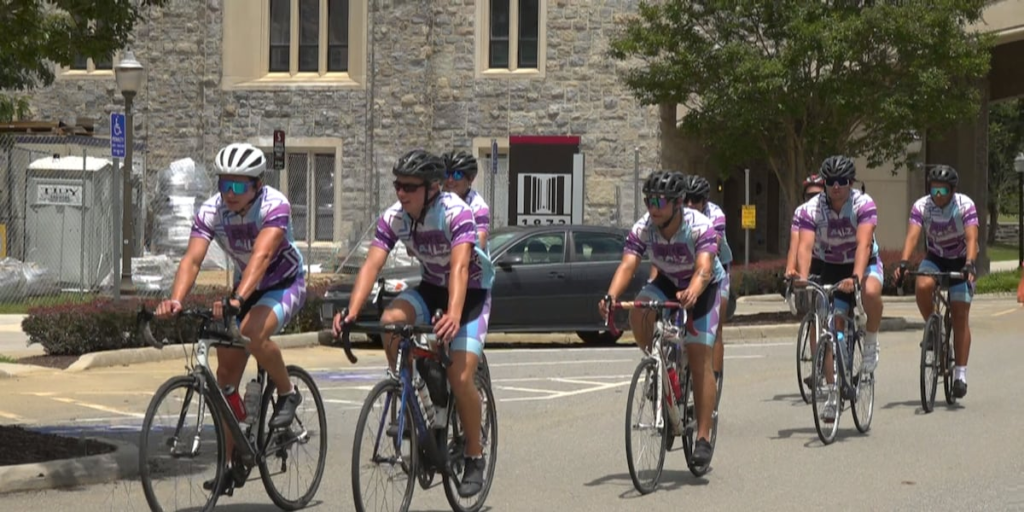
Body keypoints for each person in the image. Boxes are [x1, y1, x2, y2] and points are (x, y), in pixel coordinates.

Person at [332, 149, 494, 497]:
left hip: (471, 294)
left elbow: (463, 268)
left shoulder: (456, 212)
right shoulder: (395, 217)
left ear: (432, 188)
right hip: (433, 287)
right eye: (397, 185)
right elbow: (371, 265)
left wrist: (452, 315)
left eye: (409, 186)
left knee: (461, 375)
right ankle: (413, 392)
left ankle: (474, 454)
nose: (401, 193)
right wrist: (352, 312)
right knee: (391, 321)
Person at [155, 142, 307, 496]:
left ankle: (287, 393)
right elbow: (192, 260)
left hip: (284, 281)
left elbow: (263, 254)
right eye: (225, 184)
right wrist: (176, 300)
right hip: (246, 286)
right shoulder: (211, 210)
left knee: (252, 332)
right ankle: (231, 461)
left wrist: (238, 298)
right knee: (223, 381)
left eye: (239, 186)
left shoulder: (274, 205)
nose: (230, 193)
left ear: (257, 185)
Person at [600, 170, 725, 468]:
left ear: (678, 203)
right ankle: (658, 366)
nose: (653, 207)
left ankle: (704, 436)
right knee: (640, 308)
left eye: (659, 201)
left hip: (703, 286)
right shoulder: (645, 226)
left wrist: (693, 292)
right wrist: (609, 296)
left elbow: (705, 268)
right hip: (668, 279)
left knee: (698, 357)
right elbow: (628, 264)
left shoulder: (699, 225)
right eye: (648, 201)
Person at [795, 155, 884, 422]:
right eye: (831, 182)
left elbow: (864, 244)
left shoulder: (863, 204)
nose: (836, 187)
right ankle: (833, 394)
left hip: (863, 263)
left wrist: (856, 277)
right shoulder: (814, 208)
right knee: (831, 330)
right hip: (832, 265)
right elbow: (805, 246)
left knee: (869, 292)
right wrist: (801, 276)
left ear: (851, 183)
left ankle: (870, 341)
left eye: (842, 182)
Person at [893, 165, 978, 398]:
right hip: (936, 258)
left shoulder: (965, 205)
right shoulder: (922, 206)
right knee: (922, 285)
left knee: (960, 314)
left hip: (961, 260)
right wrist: (903, 262)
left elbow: (971, 237)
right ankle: (934, 329)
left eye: (942, 191)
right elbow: (912, 236)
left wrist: (970, 263)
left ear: (952, 191)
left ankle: (960, 374)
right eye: (934, 190)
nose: (937, 196)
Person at [680, 175, 731, 387]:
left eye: (696, 200)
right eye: (687, 199)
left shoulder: (715, 214)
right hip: (687, 270)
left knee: (715, 329)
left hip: (717, 271)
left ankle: (714, 379)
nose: (691, 204)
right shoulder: (677, 213)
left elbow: (713, 246)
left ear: (705, 201)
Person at [442, 150, 491, 250]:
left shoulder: (478, 208)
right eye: (447, 174)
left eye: (457, 174)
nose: (450, 180)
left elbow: (479, 246)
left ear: (470, 179)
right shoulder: (435, 202)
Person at [785, 174, 826, 279]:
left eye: (818, 195)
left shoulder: (832, 210)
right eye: (810, 196)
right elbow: (794, 245)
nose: (814, 200)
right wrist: (790, 270)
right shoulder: (801, 211)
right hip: (810, 260)